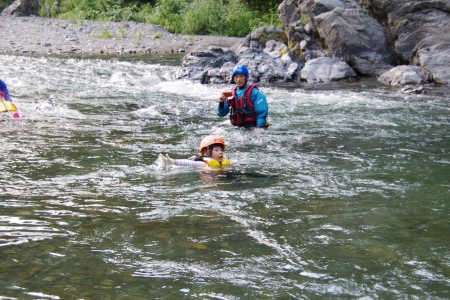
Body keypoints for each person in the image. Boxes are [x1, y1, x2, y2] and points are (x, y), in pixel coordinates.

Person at [158, 135, 231, 169]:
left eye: (221, 150)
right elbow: (188, 163)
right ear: (206, 152)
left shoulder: (224, 161)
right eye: (216, 150)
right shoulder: (203, 164)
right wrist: (172, 162)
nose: (220, 152)